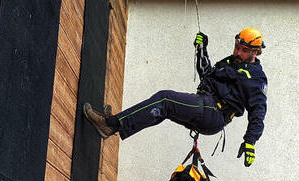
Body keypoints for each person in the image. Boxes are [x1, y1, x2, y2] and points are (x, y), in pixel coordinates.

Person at [83, 27, 268, 167]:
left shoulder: (256, 77)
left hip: (214, 113)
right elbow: (207, 74)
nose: (237, 52)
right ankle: (115, 125)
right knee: (162, 109)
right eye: (236, 47)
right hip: (205, 103)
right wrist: (201, 48)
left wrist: (250, 140)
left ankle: (110, 125)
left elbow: (258, 110)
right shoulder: (231, 61)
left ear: (255, 52)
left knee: (165, 100)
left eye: (243, 50)